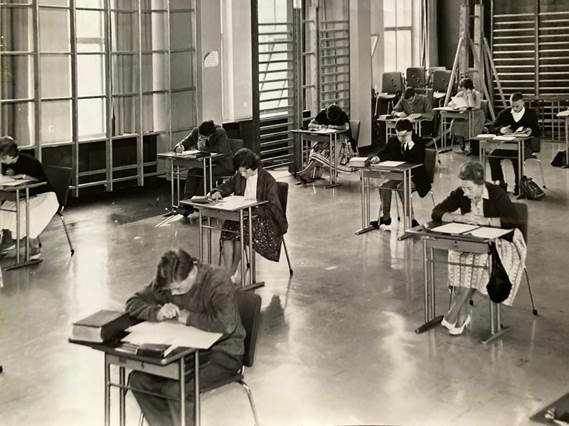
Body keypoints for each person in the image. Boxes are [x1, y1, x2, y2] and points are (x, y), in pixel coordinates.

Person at [126, 248, 246, 426]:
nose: (173, 294)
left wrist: (189, 318)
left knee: (177, 390)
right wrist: (156, 312)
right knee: (139, 381)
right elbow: (132, 302)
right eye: (170, 290)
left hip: (224, 353)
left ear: (192, 272)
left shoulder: (217, 279)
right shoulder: (169, 280)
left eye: (178, 288)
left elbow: (227, 324)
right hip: (185, 352)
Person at [431, 161, 527, 336]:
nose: (465, 193)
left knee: (480, 261)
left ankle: (454, 312)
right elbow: (436, 212)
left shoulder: (496, 193)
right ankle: (461, 316)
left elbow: (514, 221)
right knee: (456, 255)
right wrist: (458, 218)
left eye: (469, 188)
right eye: (463, 188)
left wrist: (486, 221)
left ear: (481, 184)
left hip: (503, 241)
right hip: (475, 240)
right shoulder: (461, 193)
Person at [211, 148, 287, 284]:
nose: (242, 174)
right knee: (227, 232)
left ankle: (231, 273)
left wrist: (254, 211)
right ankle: (229, 274)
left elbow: (273, 207)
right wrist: (218, 191)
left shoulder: (267, 179)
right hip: (243, 215)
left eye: (245, 171)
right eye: (240, 171)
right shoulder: (240, 176)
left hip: (263, 219)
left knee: (241, 235)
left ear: (253, 166)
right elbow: (226, 186)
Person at [0, 136, 59, 259]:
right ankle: (8, 241)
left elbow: (41, 181)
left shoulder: (29, 161)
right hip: (26, 195)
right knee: (4, 208)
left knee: (26, 213)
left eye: (2, 157)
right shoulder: (7, 163)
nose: (1, 159)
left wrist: (22, 176)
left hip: (45, 196)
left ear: (10, 155)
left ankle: (33, 244)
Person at [368, 119, 432, 229]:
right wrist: (377, 157)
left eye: (403, 136)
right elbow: (385, 152)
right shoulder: (394, 140)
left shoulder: (419, 142)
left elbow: (418, 159)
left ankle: (411, 219)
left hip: (417, 177)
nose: (400, 139)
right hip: (400, 175)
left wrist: (410, 143)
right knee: (384, 186)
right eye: (398, 135)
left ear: (410, 132)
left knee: (402, 187)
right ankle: (386, 217)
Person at [173, 121, 233, 216]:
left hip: (223, 164)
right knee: (193, 171)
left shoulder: (220, 133)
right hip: (206, 164)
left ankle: (198, 202)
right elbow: (185, 142)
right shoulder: (196, 131)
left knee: (208, 173)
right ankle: (186, 203)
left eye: (204, 137)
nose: (200, 138)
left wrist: (202, 148)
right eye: (200, 136)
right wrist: (180, 147)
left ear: (211, 134)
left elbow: (220, 150)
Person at [488, 92, 540, 195]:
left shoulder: (531, 113)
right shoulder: (505, 113)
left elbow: (538, 131)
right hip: (508, 144)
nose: (515, 109)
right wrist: (501, 130)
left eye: (517, 106)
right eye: (512, 106)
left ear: (523, 103)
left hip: (526, 145)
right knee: (492, 156)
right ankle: (501, 183)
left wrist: (531, 131)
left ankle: (519, 185)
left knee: (516, 156)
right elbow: (491, 128)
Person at [295, 104, 355, 184]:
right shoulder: (323, 113)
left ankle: (304, 173)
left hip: (342, 141)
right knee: (317, 151)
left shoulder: (342, 114)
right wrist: (320, 127)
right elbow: (310, 124)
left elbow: (346, 127)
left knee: (323, 154)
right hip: (327, 139)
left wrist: (331, 126)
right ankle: (305, 174)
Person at [449, 78, 486, 153]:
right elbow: (450, 103)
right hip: (465, 114)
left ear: (469, 88)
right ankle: (460, 140)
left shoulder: (476, 94)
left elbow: (476, 106)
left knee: (472, 125)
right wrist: (454, 105)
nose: (462, 90)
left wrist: (469, 96)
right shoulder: (461, 93)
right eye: (462, 88)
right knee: (455, 122)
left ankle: (472, 146)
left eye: (464, 88)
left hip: (476, 115)